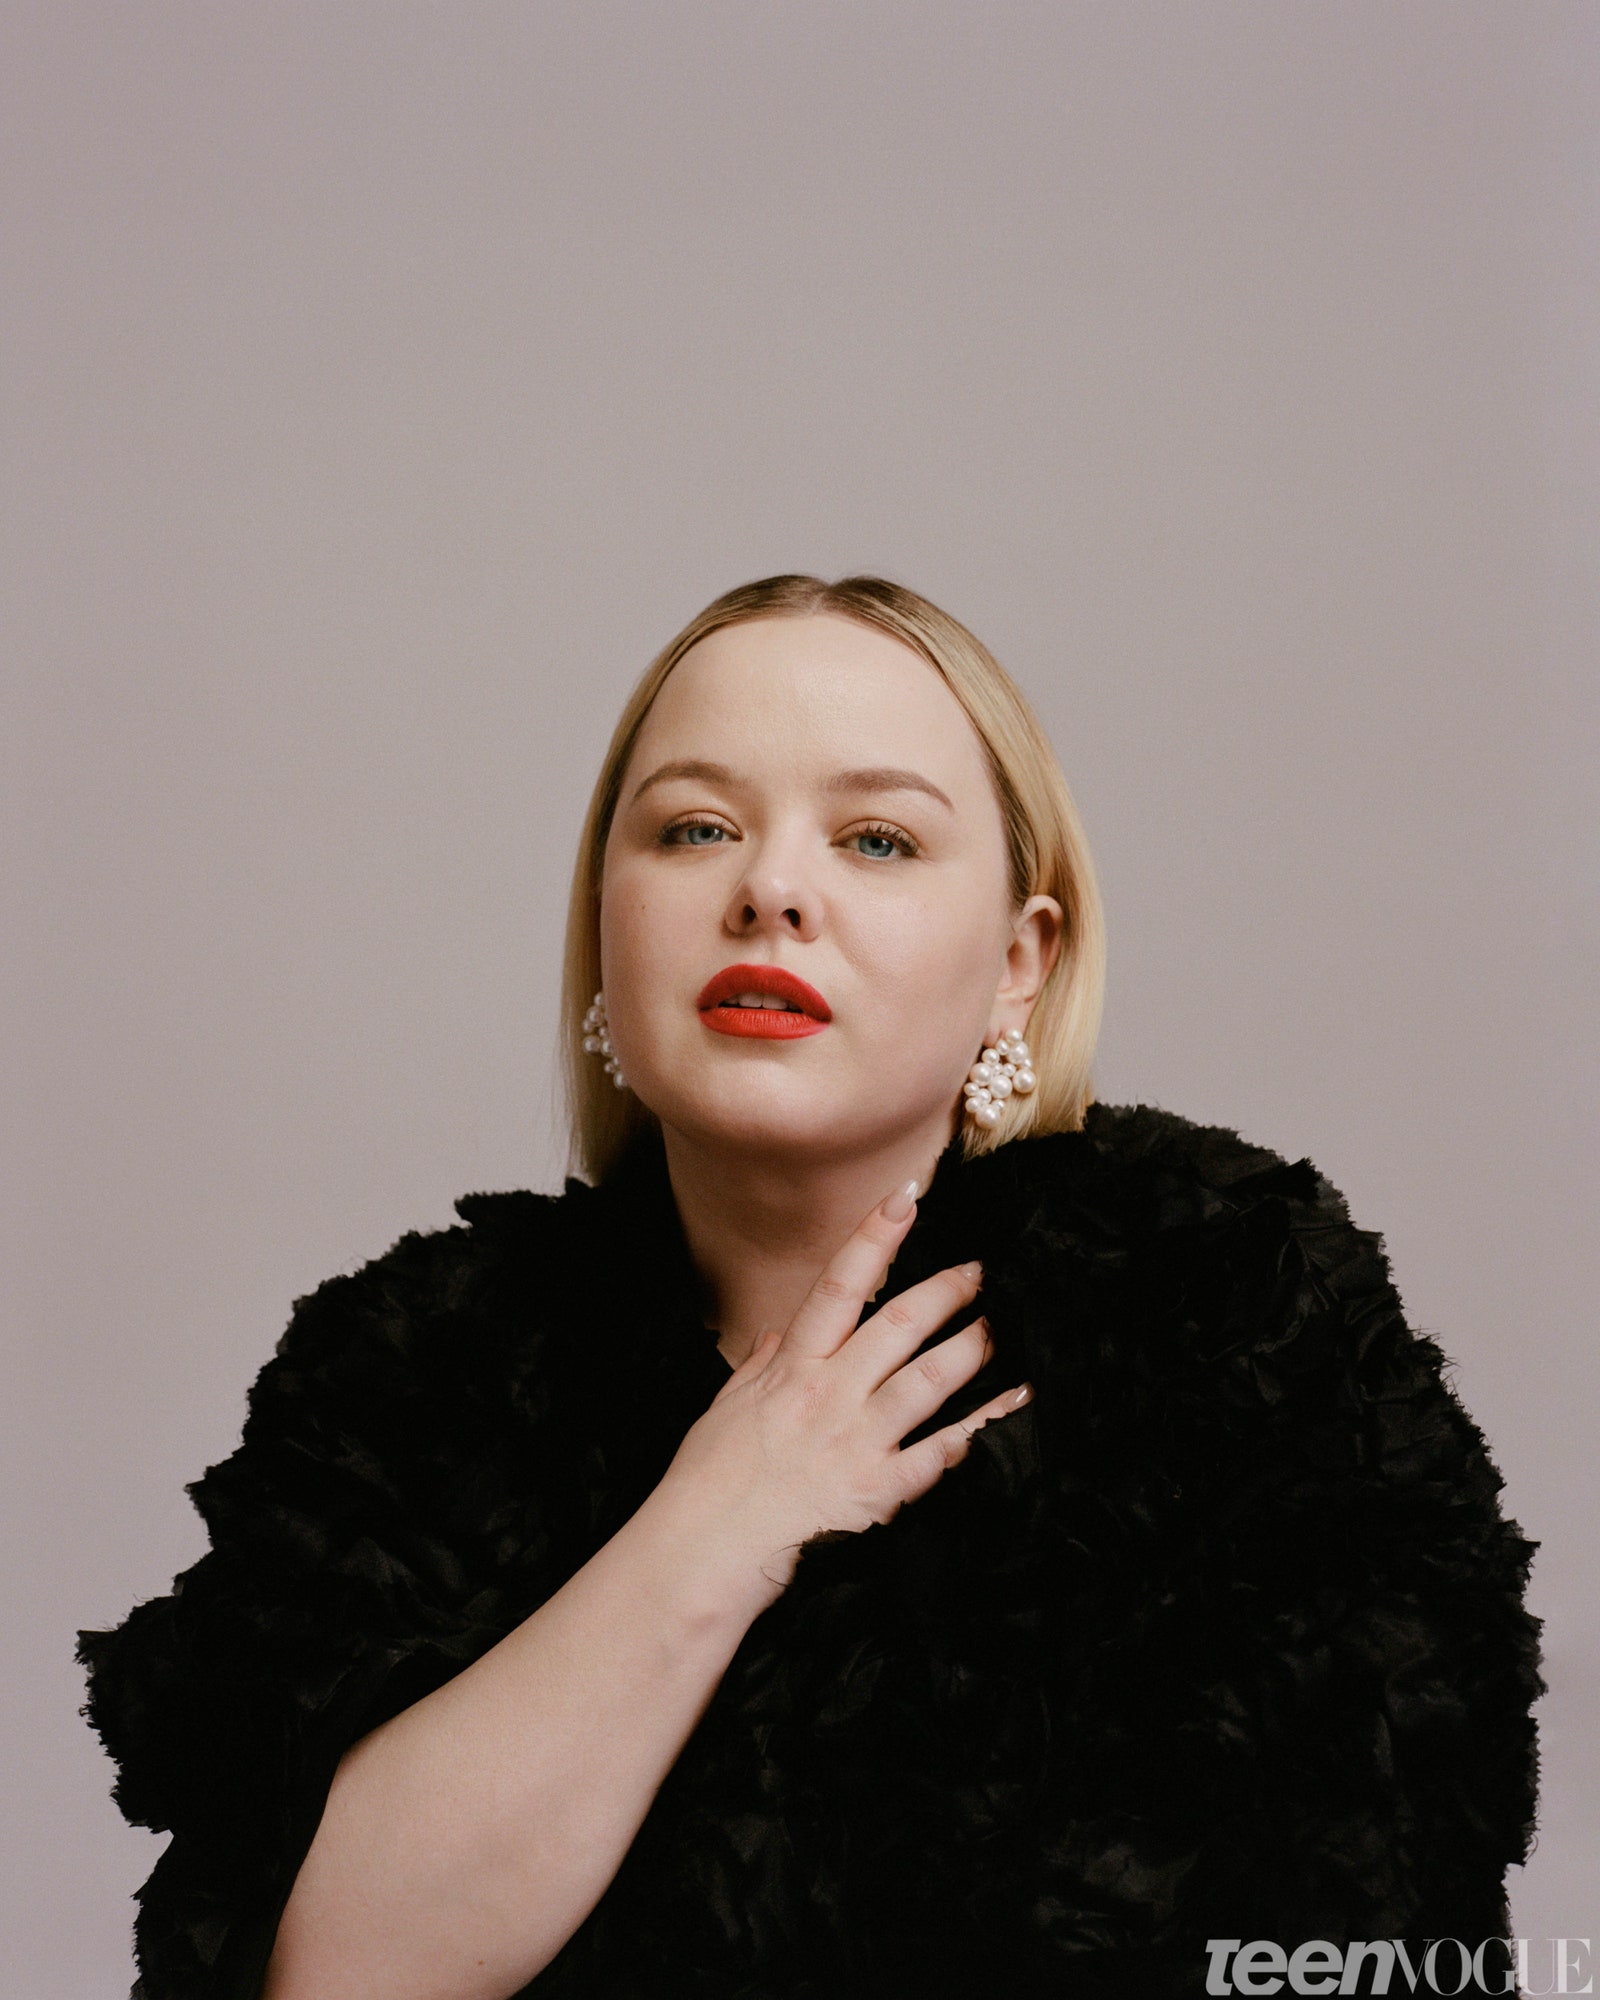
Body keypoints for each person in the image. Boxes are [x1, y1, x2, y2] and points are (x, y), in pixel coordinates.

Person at [78, 574, 1544, 2000]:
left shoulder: (1231, 1326)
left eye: (879, 842)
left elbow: (1374, 1931)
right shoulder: (409, 1383)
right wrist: (731, 1511)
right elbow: (322, 1979)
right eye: (695, 828)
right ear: (606, 923)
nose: (770, 889)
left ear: (1018, 964)